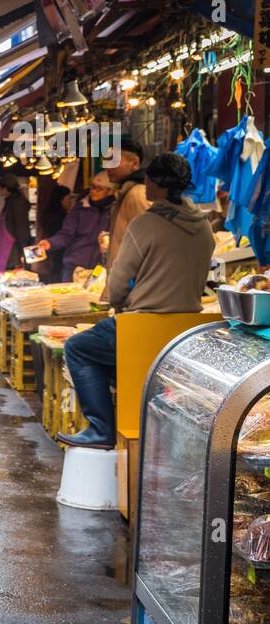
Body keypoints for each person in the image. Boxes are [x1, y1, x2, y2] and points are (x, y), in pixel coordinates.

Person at [59, 154, 215, 448]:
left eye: (148, 179)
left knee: (78, 348)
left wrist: (117, 299)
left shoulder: (147, 224)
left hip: (143, 325)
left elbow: (118, 280)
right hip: (186, 332)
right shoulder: (203, 225)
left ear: (155, 183)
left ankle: (101, 428)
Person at [34, 172, 116, 281]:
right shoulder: (79, 209)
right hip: (74, 265)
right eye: (92, 187)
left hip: (100, 268)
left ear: (110, 191)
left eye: (99, 189)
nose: (93, 191)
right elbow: (66, 234)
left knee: (95, 296)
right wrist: (50, 243)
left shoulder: (115, 210)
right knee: (69, 296)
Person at [105, 138, 150, 270]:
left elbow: (149, 246)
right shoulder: (124, 193)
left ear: (134, 164)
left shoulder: (138, 195)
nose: (107, 165)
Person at [0, 173, 31, 272]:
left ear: (6, 188)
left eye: (0, 187)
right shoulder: (10, 202)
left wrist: (23, 253)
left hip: (13, 253)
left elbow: (22, 230)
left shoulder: (18, 204)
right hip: (8, 251)